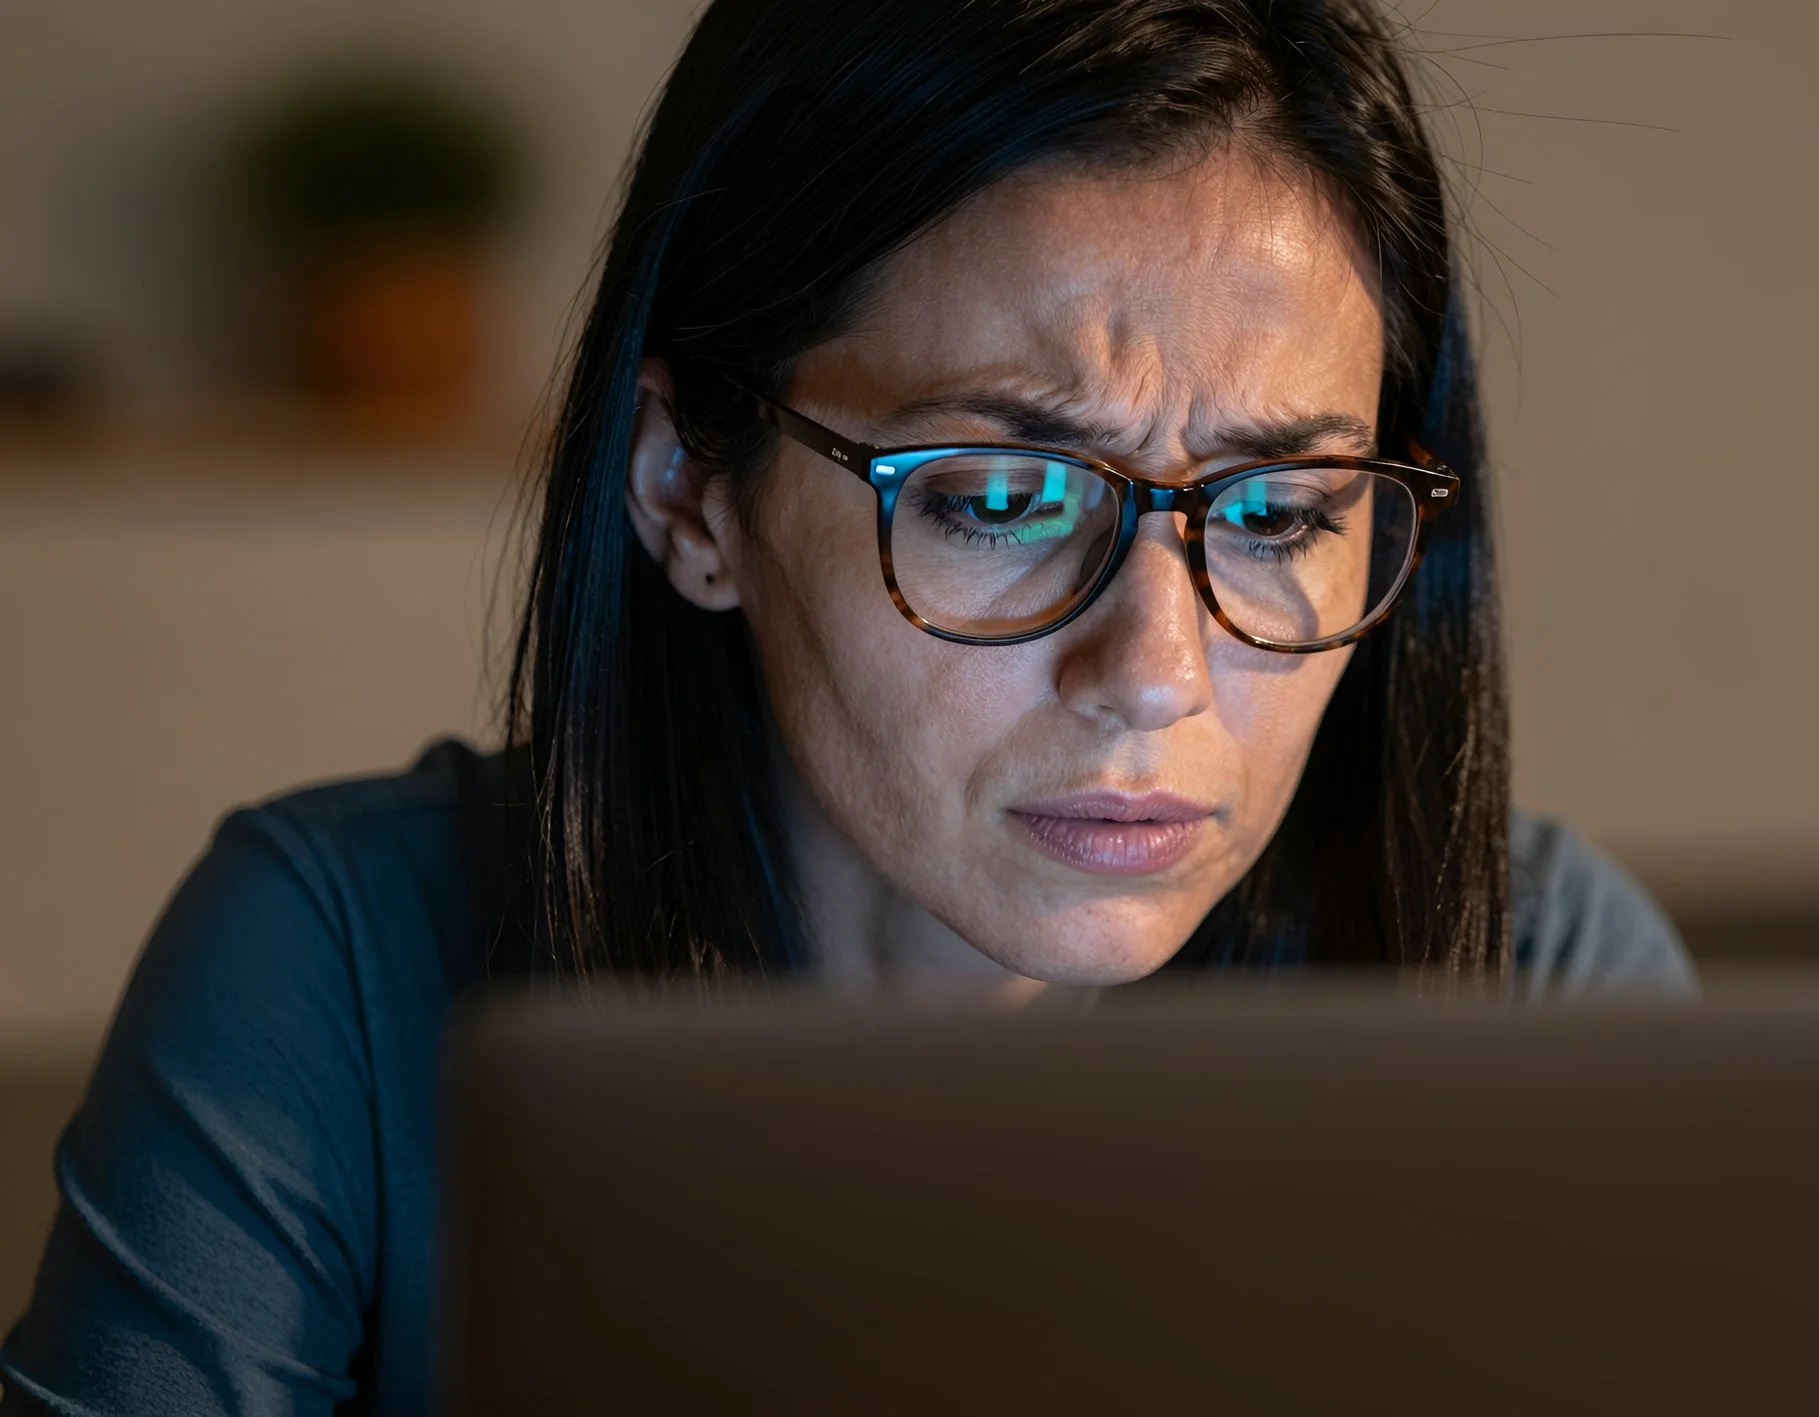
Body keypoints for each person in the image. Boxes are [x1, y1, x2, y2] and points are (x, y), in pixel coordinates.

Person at [0, 1, 1689, 1411]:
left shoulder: (1534, 984)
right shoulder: (341, 977)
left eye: (1278, 514)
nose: (1157, 672)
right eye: (1002, 500)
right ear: (686, 490)